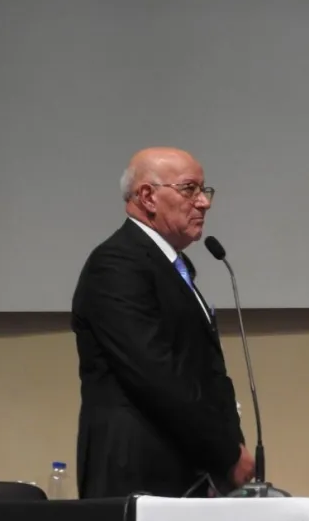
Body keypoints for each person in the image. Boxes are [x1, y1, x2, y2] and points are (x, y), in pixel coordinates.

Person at [71, 146, 255, 498]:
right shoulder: (117, 264)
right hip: (139, 476)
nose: (204, 202)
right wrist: (227, 453)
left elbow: (201, 372)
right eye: (190, 189)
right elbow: (156, 375)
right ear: (147, 197)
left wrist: (230, 449)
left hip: (186, 471)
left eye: (204, 190)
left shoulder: (170, 266)